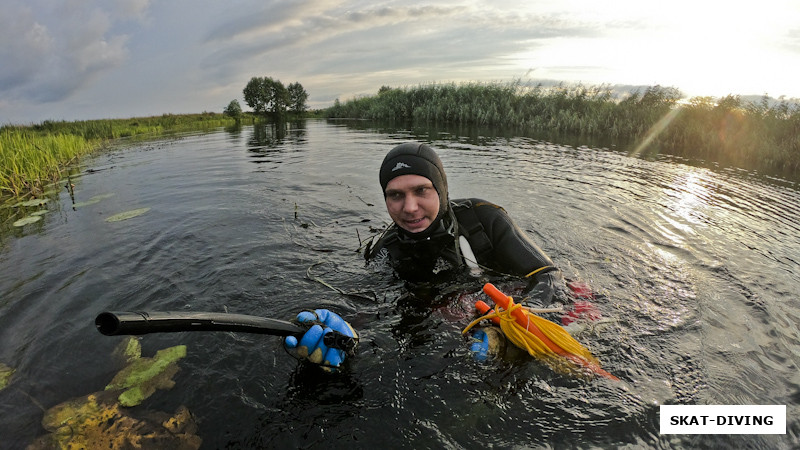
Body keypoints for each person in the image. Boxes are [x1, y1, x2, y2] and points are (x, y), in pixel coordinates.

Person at [286, 142, 566, 369]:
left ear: (442, 190)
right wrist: (339, 328)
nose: (409, 207)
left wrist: (511, 322)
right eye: (395, 195)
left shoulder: (485, 220)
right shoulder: (386, 248)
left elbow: (548, 276)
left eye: (421, 191)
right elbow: (373, 306)